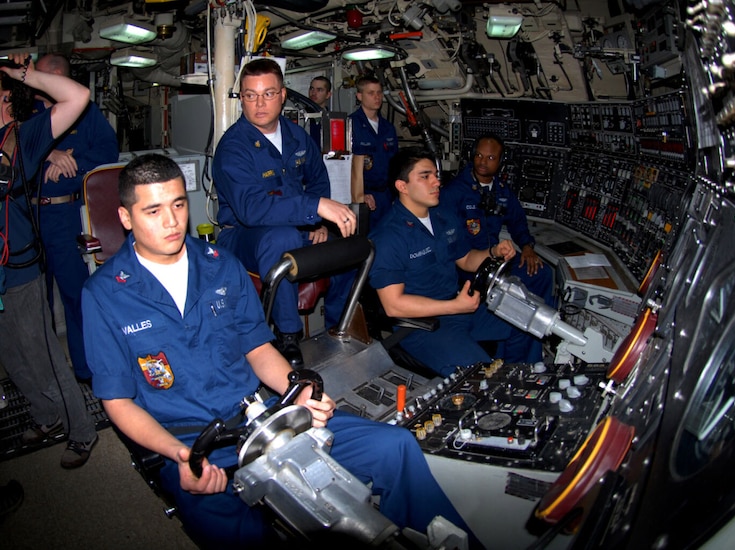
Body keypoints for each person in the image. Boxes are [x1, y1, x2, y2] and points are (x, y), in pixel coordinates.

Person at [81, 153, 477, 549]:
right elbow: (118, 401)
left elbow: (257, 347)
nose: (171, 222)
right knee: (248, 535)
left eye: (179, 205)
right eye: (153, 210)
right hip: (190, 443)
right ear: (126, 217)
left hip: (261, 415)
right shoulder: (105, 294)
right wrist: (182, 456)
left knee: (396, 448)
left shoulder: (221, 265)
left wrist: (300, 391)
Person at [212, 58, 356, 367]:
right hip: (241, 236)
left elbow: (318, 178)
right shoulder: (233, 148)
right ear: (242, 99)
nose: (259, 103)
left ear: (283, 96)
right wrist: (314, 208)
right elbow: (252, 211)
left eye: (268, 93)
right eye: (250, 95)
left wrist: (317, 222)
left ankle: (338, 326)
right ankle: (288, 336)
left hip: (297, 225)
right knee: (280, 238)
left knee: (349, 243)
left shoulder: (296, 136)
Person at [0, 53, 99, 469]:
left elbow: (77, 96)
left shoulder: (23, 137)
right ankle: (44, 416)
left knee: (43, 352)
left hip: (19, 265)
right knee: (12, 357)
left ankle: (81, 430)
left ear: (6, 97)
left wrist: (22, 73)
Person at [369, 146, 541, 377]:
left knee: (527, 322)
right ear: (403, 187)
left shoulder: (443, 217)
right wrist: (455, 307)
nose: (436, 183)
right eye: (425, 176)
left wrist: (493, 251)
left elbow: (466, 259)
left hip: (459, 308)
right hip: (422, 326)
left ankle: (518, 378)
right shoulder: (388, 236)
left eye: (436, 176)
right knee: (482, 376)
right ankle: (496, 382)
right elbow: (394, 305)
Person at [33, 52, 119, 381]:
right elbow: (11, 154)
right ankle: (45, 375)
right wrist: (47, 156)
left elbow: (107, 151)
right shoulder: (22, 111)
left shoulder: (85, 113)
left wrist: (72, 161)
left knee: (77, 295)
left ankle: (85, 371)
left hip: (67, 214)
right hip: (29, 217)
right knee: (31, 302)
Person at [440, 133, 556, 360]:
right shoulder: (454, 192)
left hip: (498, 258)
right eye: (479, 156)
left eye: (491, 157)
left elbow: (518, 223)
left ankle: (535, 343)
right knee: (513, 295)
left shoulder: (502, 192)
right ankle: (514, 356)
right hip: (467, 265)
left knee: (542, 274)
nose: (483, 162)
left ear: (500, 162)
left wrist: (528, 247)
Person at [349, 74, 398, 231]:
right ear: (359, 96)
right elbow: (344, 167)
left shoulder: (388, 128)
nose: (377, 97)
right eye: (371, 93)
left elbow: (394, 164)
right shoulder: (350, 125)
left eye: (379, 93)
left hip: (386, 194)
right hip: (363, 195)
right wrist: (359, 194)